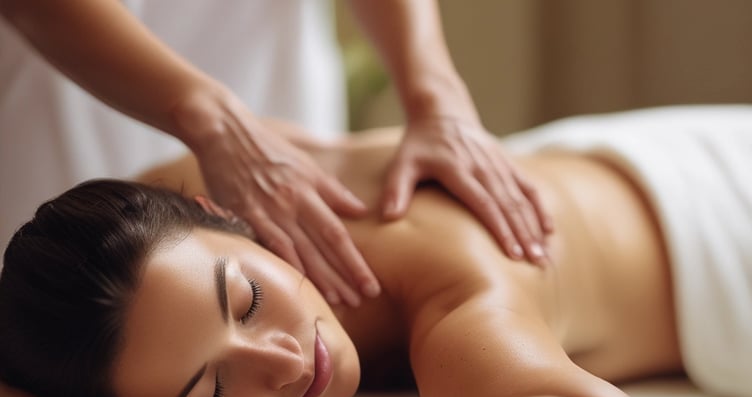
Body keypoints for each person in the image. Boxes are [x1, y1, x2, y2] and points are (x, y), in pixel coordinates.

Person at [2, 105, 752, 397]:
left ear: (223, 213)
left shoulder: (455, 295)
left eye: (250, 300)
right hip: (657, 152)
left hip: (737, 222)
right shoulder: (173, 199)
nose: (283, 361)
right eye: (209, 394)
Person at [0, 0, 551, 307]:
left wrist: (438, 97)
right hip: (69, 84)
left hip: (264, 72)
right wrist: (212, 121)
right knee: (83, 320)